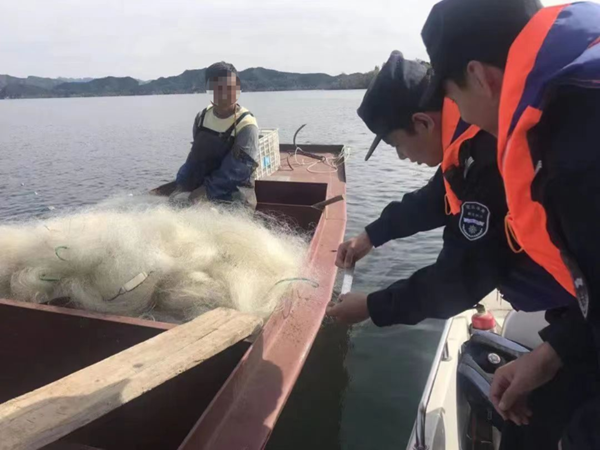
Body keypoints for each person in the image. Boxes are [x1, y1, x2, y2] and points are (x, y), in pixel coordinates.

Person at [327, 50, 595, 450]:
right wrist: (372, 234)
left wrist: (371, 306)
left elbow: (457, 281)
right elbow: (436, 197)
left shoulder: (484, 158)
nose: (402, 157)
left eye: (397, 145)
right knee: (527, 418)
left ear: (422, 122)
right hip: (576, 312)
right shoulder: (467, 141)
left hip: (584, 314)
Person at [421, 0, 600, 447]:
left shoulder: (573, 162)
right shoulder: (576, 105)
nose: (461, 117)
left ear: (481, 77)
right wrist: (552, 354)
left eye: (454, 100)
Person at [173, 61, 259, 208]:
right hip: (199, 194)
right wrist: (182, 184)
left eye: (230, 87)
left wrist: (204, 192)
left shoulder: (246, 125)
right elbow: (194, 159)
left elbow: (237, 172)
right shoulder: (202, 117)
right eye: (219, 88)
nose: (226, 93)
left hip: (233, 199)